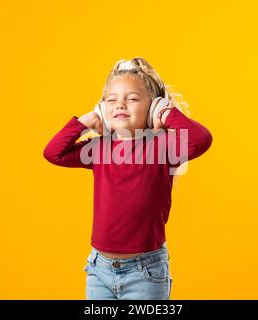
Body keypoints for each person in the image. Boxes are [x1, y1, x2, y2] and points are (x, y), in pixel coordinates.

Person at [43, 57, 213, 299]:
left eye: (132, 99)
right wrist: (85, 122)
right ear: (102, 109)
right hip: (99, 269)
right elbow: (53, 153)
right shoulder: (99, 148)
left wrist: (166, 113)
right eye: (111, 100)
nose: (120, 105)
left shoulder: (163, 147)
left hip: (145, 272)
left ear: (153, 106)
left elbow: (202, 139)